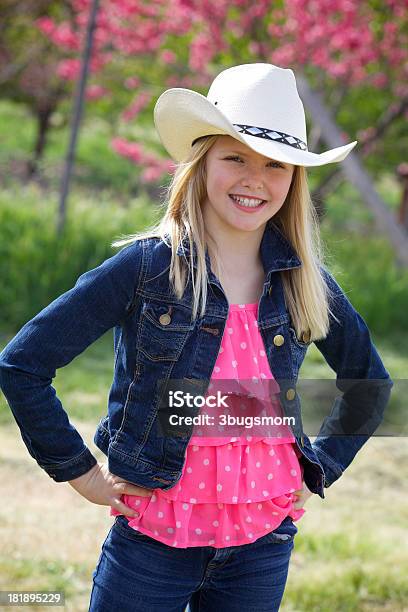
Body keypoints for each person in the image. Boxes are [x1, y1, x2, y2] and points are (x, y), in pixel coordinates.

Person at [0, 63, 393, 612]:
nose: (254, 178)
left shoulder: (303, 282)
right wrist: (80, 473)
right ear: (202, 162)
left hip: (263, 541)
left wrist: (319, 467)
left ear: (294, 180)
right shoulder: (147, 268)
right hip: (154, 537)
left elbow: (369, 384)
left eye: (275, 164)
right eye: (235, 157)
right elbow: (22, 365)